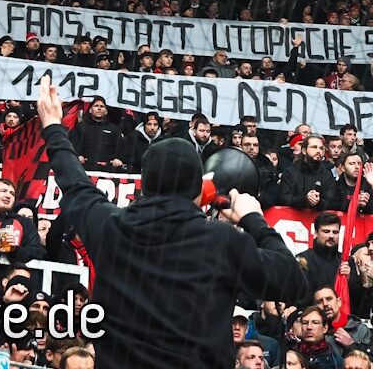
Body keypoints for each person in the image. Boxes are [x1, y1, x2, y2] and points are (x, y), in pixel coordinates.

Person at [36, 74, 309, 369]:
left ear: (146, 183)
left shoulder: (111, 227)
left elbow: (75, 182)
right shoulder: (223, 241)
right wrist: (254, 220)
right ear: (199, 189)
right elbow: (293, 282)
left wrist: (53, 126)